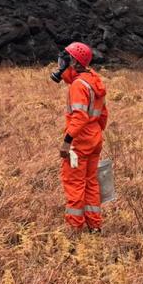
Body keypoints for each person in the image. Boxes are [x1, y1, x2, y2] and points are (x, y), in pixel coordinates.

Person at [50, 41, 109, 233]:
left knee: (74, 184)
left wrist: (67, 142)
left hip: (80, 142)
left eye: (65, 59)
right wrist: (96, 133)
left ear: (74, 61)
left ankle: (75, 231)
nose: (61, 63)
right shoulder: (94, 80)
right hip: (94, 138)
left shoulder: (78, 86)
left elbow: (79, 117)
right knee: (91, 182)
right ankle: (95, 226)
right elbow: (103, 114)